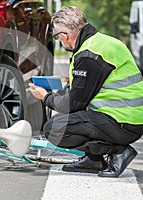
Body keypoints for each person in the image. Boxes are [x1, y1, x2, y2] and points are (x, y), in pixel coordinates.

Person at [29, 6, 143, 178]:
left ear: (64, 35)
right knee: (79, 118)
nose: (59, 40)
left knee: (54, 129)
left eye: (56, 36)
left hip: (122, 123)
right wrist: (67, 81)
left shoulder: (89, 55)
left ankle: (119, 151)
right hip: (127, 117)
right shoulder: (101, 42)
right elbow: (96, 83)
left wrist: (45, 96)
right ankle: (93, 160)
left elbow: (72, 105)